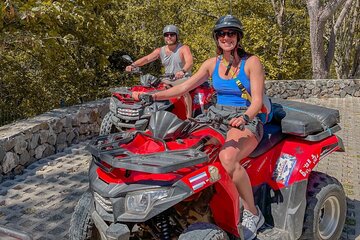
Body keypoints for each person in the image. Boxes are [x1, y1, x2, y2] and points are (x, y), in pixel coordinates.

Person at [133, 15, 272, 240]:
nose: (226, 38)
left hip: (245, 118)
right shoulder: (211, 64)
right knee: (186, 147)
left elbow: (257, 100)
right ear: (216, 38)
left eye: (231, 33)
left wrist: (246, 117)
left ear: (238, 37)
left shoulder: (252, 62)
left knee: (228, 158)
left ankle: (253, 214)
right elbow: (183, 87)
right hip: (216, 116)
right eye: (222, 34)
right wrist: (152, 96)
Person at [126, 24, 194, 118]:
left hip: (183, 78)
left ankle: (189, 118)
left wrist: (183, 71)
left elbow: (189, 62)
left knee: (184, 91)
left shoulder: (183, 48)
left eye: (172, 34)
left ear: (176, 36)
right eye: (166, 35)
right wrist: (133, 65)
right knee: (151, 90)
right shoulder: (160, 50)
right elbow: (147, 59)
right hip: (167, 79)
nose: (169, 37)